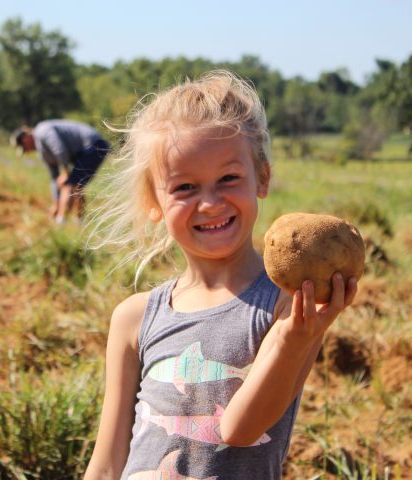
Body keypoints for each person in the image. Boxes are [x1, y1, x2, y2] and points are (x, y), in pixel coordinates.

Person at [83, 71, 357, 479]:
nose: (210, 203)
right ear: (152, 201)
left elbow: (239, 429)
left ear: (261, 178)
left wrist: (295, 336)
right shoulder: (134, 318)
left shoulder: (289, 308)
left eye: (228, 179)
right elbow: (106, 464)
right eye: (185, 187)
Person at [10, 119, 109, 224]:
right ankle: (78, 222)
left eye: (25, 148)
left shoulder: (42, 130)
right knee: (76, 184)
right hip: (83, 151)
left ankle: (62, 222)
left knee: (70, 185)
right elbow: (54, 178)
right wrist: (55, 203)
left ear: (25, 139)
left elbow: (59, 148)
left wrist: (65, 171)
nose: (28, 151)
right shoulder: (43, 153)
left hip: (93, 145)